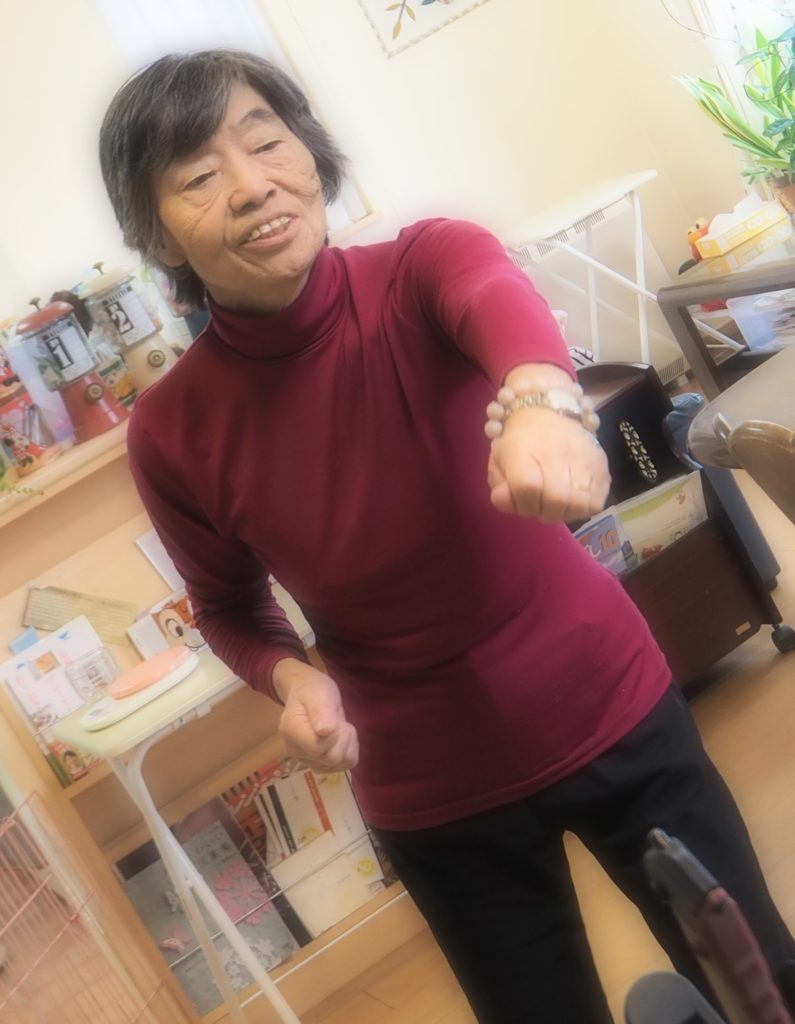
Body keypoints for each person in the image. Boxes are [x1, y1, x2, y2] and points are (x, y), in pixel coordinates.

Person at [99, 50, 794, 1023]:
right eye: (199, 177)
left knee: (760, 986)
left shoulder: (424, 264)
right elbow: (225, 604)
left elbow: (497, 305)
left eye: (266, 142)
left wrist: (543, 402)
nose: (252, 185)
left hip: (608, 703)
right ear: (156, 233)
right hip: (431, 791)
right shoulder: (172, 430)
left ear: (310, 152)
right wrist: (291, 679)